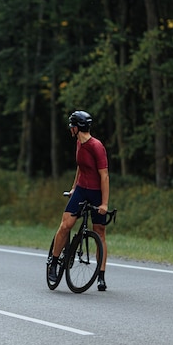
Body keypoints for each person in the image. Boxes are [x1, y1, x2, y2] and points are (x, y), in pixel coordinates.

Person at [48, 110, 110, 291]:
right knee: (66, 225)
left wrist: (104, 203)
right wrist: (74, 187)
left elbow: (104, 176)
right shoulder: (78, 143)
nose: (70, 130)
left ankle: (101, 275)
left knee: (99, 232)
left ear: (77, 128)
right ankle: (55, 261)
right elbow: (81, 167)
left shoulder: (96, 146)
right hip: (82, 190)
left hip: (97, 192)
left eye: (71, 127)